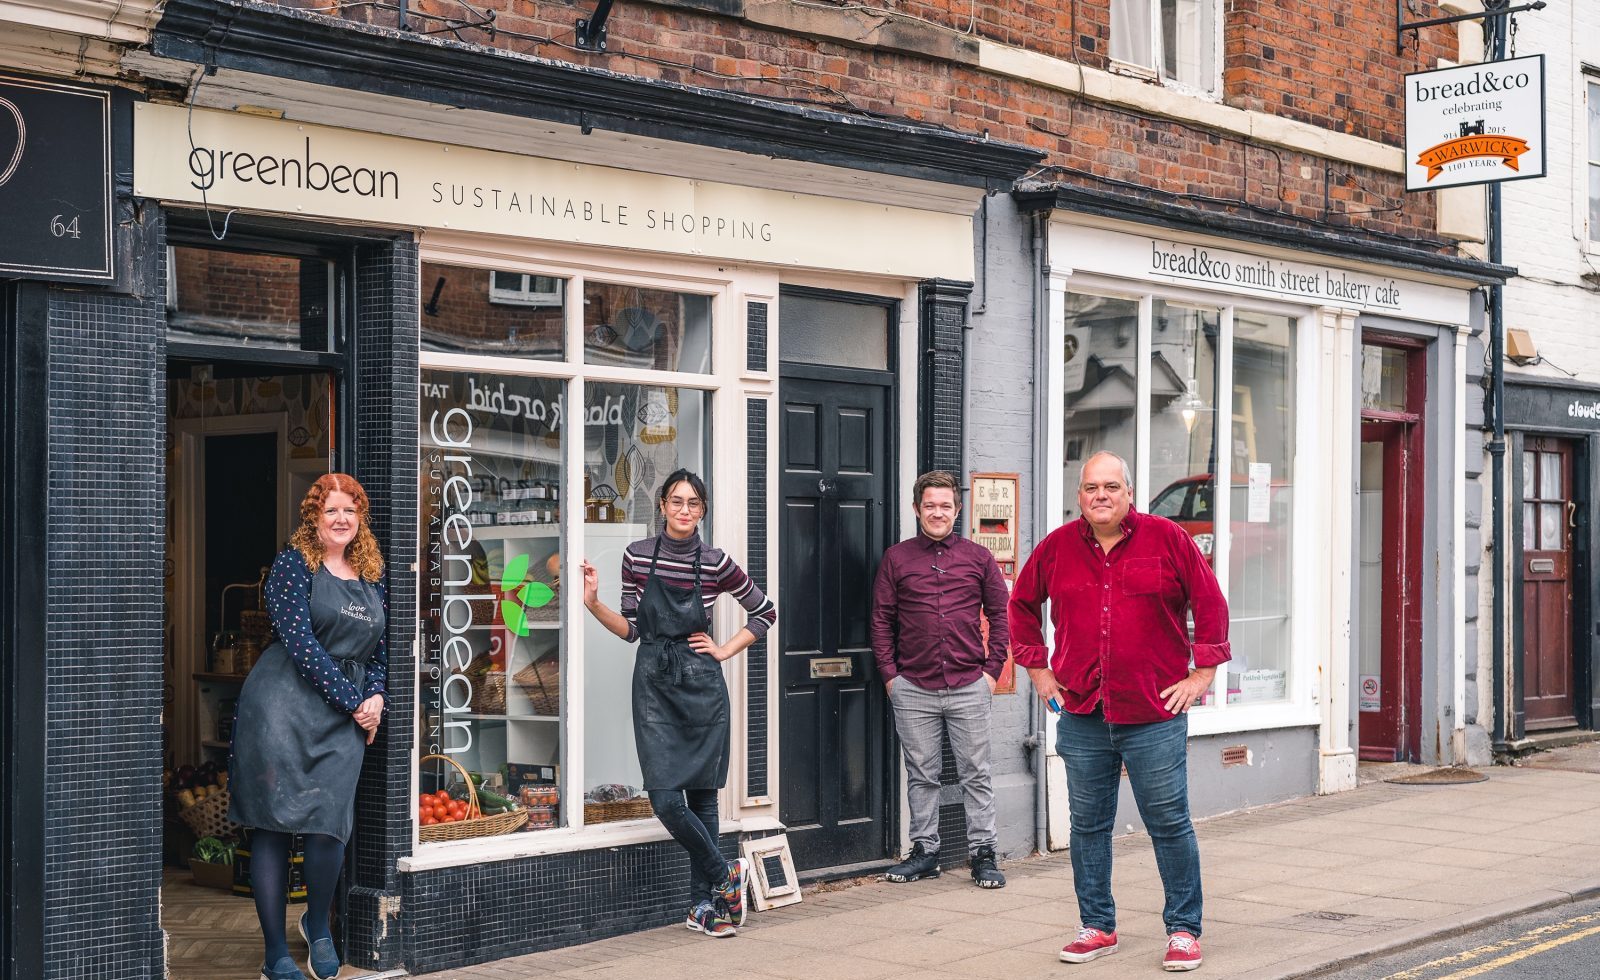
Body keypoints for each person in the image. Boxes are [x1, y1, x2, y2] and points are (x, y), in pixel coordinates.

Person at [1008, 451, 1228, 973]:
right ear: (1079, 496)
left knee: (1169, 824)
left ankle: (1182, 930)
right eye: (1090, 488)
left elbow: (1210, 601)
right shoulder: (1058, 547)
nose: (1100, 496)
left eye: (1110, 486)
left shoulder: (1167, 538)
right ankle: (1098, 926)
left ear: (1129, 492)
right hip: (1083, 711)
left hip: (1154, 711)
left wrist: (1202, 675)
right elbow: (1020, 605)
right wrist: (1038, 670)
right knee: (1086, 826)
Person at [581, 469, 776, 938]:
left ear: (702, 510)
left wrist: (726, 650)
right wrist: (592, 604)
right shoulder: (637, 555)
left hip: (702, 683)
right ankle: (725, 874)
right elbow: (633, 629)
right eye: (676, 501)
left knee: (703, 796)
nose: (684, 510)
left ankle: (702, 907)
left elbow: (765, 610)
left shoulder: (715, 561)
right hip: (653, 683)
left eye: (693, 503)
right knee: (666, 798)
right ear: (663, 506)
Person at [229, 474, 388, 980]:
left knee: (328, 827)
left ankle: (317, 925)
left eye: (350, 511)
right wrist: (354, 702)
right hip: (281, 708)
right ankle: (275, 952)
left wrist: (377, 697)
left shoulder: (370, 572)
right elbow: (301, 647)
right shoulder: (292, 566)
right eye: (330, 511)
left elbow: (379, 649)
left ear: (359, 519)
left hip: (346, 712)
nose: (341, 519)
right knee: (273, 827)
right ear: (313, 519)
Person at [872, 470, 1011, 888]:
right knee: (921, 774)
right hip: (913, 686)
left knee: (976, 774)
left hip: (970, 684)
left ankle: (983, 854)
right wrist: (891, 677)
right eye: (929, 505)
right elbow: (881, 620)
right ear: (917, 509)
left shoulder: (979, 558)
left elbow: (1002, 615)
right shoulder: (897, 558)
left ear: (957, 509)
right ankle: (925, 852)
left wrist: (991, 673)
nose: (937, 512)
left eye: (945, 505)